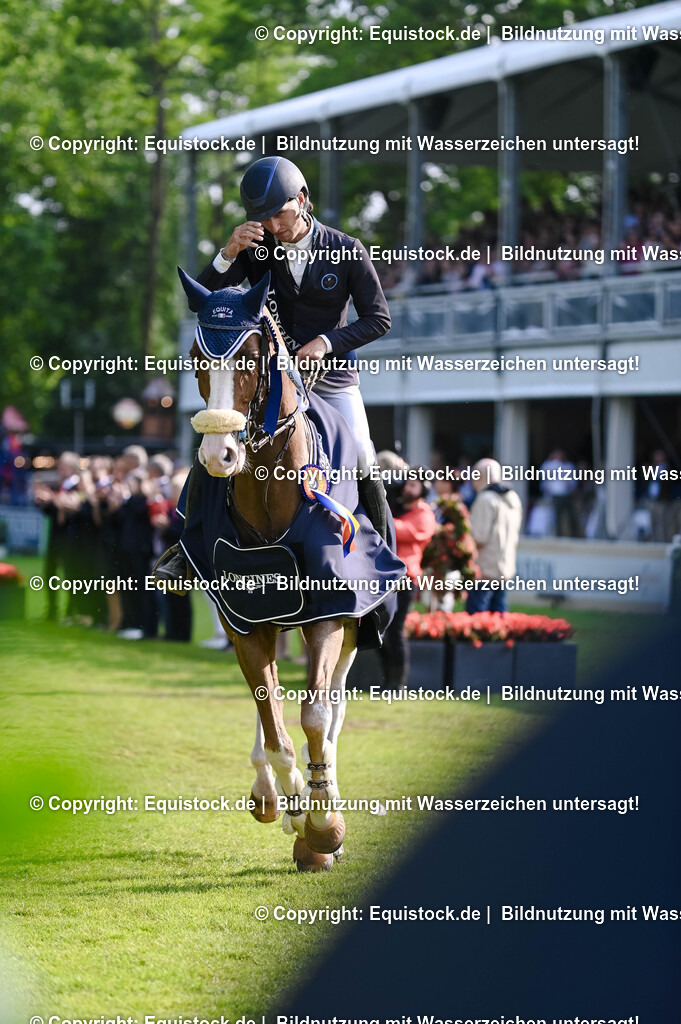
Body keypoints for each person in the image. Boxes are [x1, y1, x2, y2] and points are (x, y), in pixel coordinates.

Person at [155, 155, 391, 584]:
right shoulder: (255, 247)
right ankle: (188, 549)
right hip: (270, 379)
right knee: (218, 437)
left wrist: (326, 342)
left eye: (279, 214)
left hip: (331, 378)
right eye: (263, 218)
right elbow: (200, 300)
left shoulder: (347, 249)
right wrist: (229, 253)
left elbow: (379, 319)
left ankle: (383, 554)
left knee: (361, 449)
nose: (273, 226)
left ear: (302, 199)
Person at [380, 475, 436, 690]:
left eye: (413, 485)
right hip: (385, 576)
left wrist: (379, 511)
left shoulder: (424, 515)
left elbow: (398, 530)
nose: (407, 488)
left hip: (406, 579)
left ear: (424, 489)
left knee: (395, 630)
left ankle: (399, 683)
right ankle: (386, 680)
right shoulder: (397, 508)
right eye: (407, 484)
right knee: (380, 630)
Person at [467, 458, 523, 615]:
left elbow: (479, 537)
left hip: (484, 570)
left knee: (477, 619)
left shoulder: (485, 499)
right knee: (499, 618)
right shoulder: (513, 498)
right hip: (505, 568)